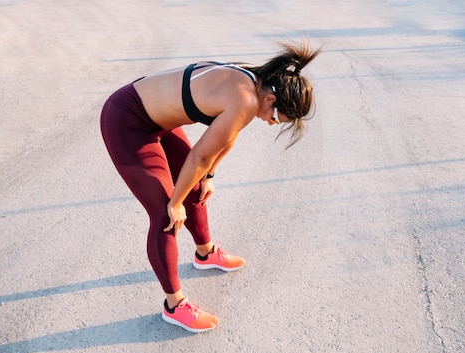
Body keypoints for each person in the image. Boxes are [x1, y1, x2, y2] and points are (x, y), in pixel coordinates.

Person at [100, 41, 321, 333]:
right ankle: (174, 305)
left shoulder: (255, 78)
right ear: (271, 100)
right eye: (278, 118)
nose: (272, 124)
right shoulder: (247, 101)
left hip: (157, 119)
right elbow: (200, 155)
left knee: (197, 185)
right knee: (166, 216)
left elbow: (227, 136)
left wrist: (210, 176)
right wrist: (175, 202)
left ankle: (205, 254)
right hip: (127, 121)